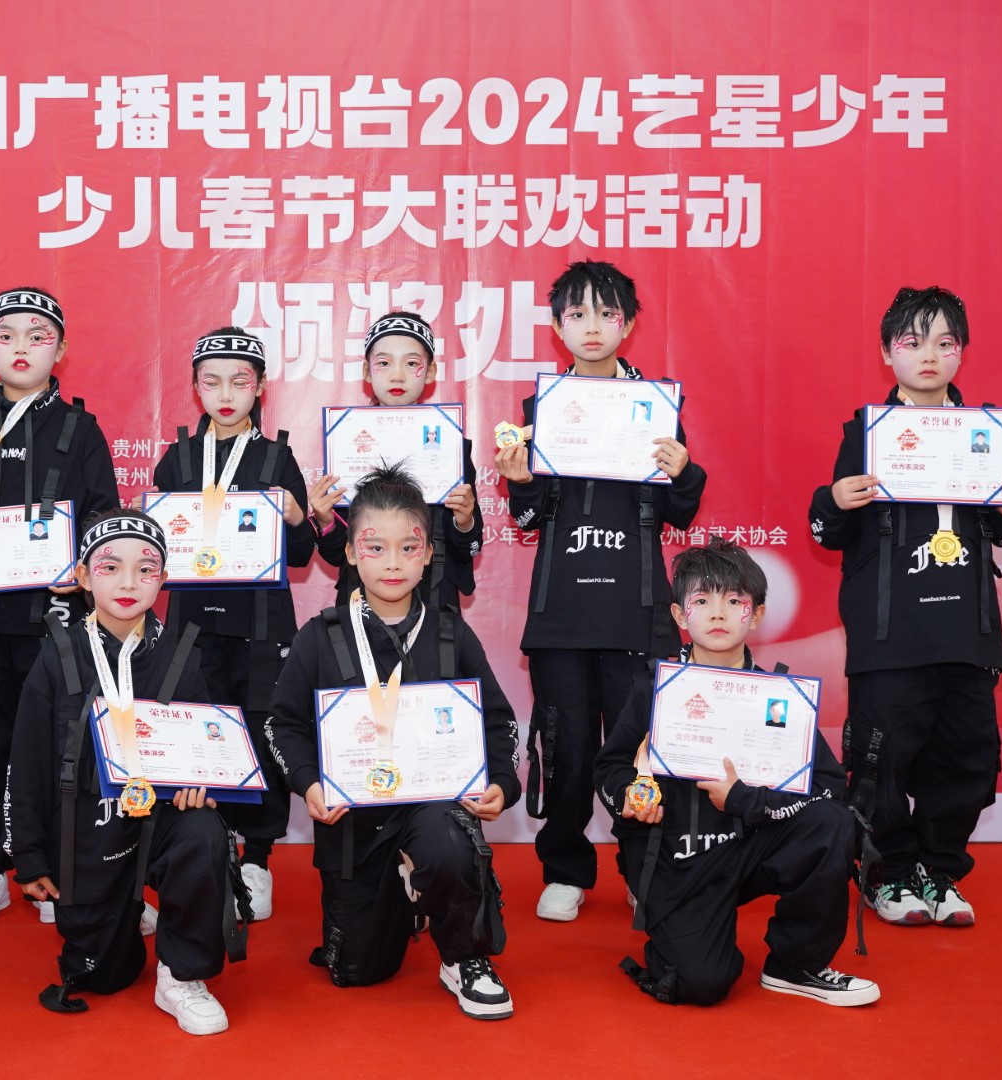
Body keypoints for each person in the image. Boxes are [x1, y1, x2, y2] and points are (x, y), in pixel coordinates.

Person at [808, 286, 1002, 927]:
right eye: (912, 342)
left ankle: (939, 871)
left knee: (967, 761)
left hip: (965, 631)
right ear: (887, 353)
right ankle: (889, 875)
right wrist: (834, 500)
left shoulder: (983, 433)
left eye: (945, 342)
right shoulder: (866, 434)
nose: (929, 354)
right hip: (891, 634)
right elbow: (827, 532)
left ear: (962, 352)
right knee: (879, 763)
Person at [266, 465, 520, 1020]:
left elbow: (498, 721)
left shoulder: (451, 633)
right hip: (355, 816)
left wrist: (502, 782)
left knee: (450, 843)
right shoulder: (321, 636)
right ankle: (407, 899)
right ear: (350, 553)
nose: (393, 563)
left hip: (434, 804)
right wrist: (309, 784)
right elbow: (282, 726)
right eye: (375, 548)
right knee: (356, 971)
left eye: (408, 548)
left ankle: (464, 955)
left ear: (427, 554)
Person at [494, 260, 706, 921]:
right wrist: (519, 480)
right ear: (558, 327)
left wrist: (683, 471)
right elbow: (529, 517)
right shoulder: (540, 411)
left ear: (629, 324)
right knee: (566, 749)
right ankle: (565, 868)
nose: (592, 326)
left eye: (607, 313)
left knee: (642, 749)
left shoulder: (657, 407)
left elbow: (680, 513)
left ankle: (644, 867)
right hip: (562, 614)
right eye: (577, 314)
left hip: (635, 613)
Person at [595, 538, 878, 1007]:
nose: (718, 613)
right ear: (680, 615)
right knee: (701, 985)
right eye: (702, 601)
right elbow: (609, 766)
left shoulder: (779, 696)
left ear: (757, 614)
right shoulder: (655, 688)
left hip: (751, 845)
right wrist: (628, 795)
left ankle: (796, 964)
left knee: (832, 824)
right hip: (678, 857)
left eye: (734, 601)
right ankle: (677, 930)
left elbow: (829, 788)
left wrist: (747, 800)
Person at [5, 510, 245, 1034]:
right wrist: (29, 855)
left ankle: (181, 974)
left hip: (161, 821)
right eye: (111, 568)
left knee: (203, 832)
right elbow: (26, 762)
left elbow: (206, 747)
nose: (129, 582)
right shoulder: (57, 654)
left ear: (164, 579)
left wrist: (201, 786)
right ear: (84, 577)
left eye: (146, 569)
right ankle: (124, 907)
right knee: (106, 976)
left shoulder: (182, 653)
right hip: (89, 828)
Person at [0, 286, 119, 928]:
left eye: (37, 337)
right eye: (5, 335)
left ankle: (53, 868)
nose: (20, 348)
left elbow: (103, 513)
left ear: (60, 350)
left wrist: (84, 560)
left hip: (52, 620)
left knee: (55, 748)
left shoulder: (80, 428)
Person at [152, 327, 316, 920]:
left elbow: (303, 554)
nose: (226, 394)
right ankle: (211, 844)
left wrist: (295, 518)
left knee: (263, 734)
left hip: (262, 625)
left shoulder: (277, 458)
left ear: (260, 387)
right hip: (192, 627)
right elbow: (155, 552)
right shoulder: (178, 458)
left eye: (239, 382)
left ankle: (258, 858)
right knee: (201, 733)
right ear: (196, 388)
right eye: (212, 382)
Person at [310, 311, 483, 615]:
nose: (398, 375)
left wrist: (464, 520)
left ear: (430, 372)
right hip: (360, 599)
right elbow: (337, 554)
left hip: (435, 598)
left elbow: (470, 546)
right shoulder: (346, 441)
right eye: (385, 363)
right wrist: (325, 521)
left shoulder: (451, 446)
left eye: (412, 363)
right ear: (367, 371)